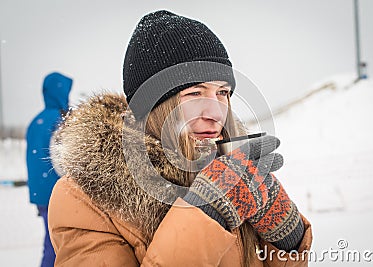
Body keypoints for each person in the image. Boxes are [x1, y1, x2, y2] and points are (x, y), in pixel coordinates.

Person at [48, 10, 312, 266]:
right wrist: (206, 212)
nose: (216, 112)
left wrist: (288, 241)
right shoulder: (84, 197)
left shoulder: (236, 170)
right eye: (195, 93)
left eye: (222, 93)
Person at [26, 72, 72, 267]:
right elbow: (67, 159)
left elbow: (32, 160)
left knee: (51, 241)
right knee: (59, 245)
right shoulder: (61, 120)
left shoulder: (35, 123)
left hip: (42, 194)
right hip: (59, 192)